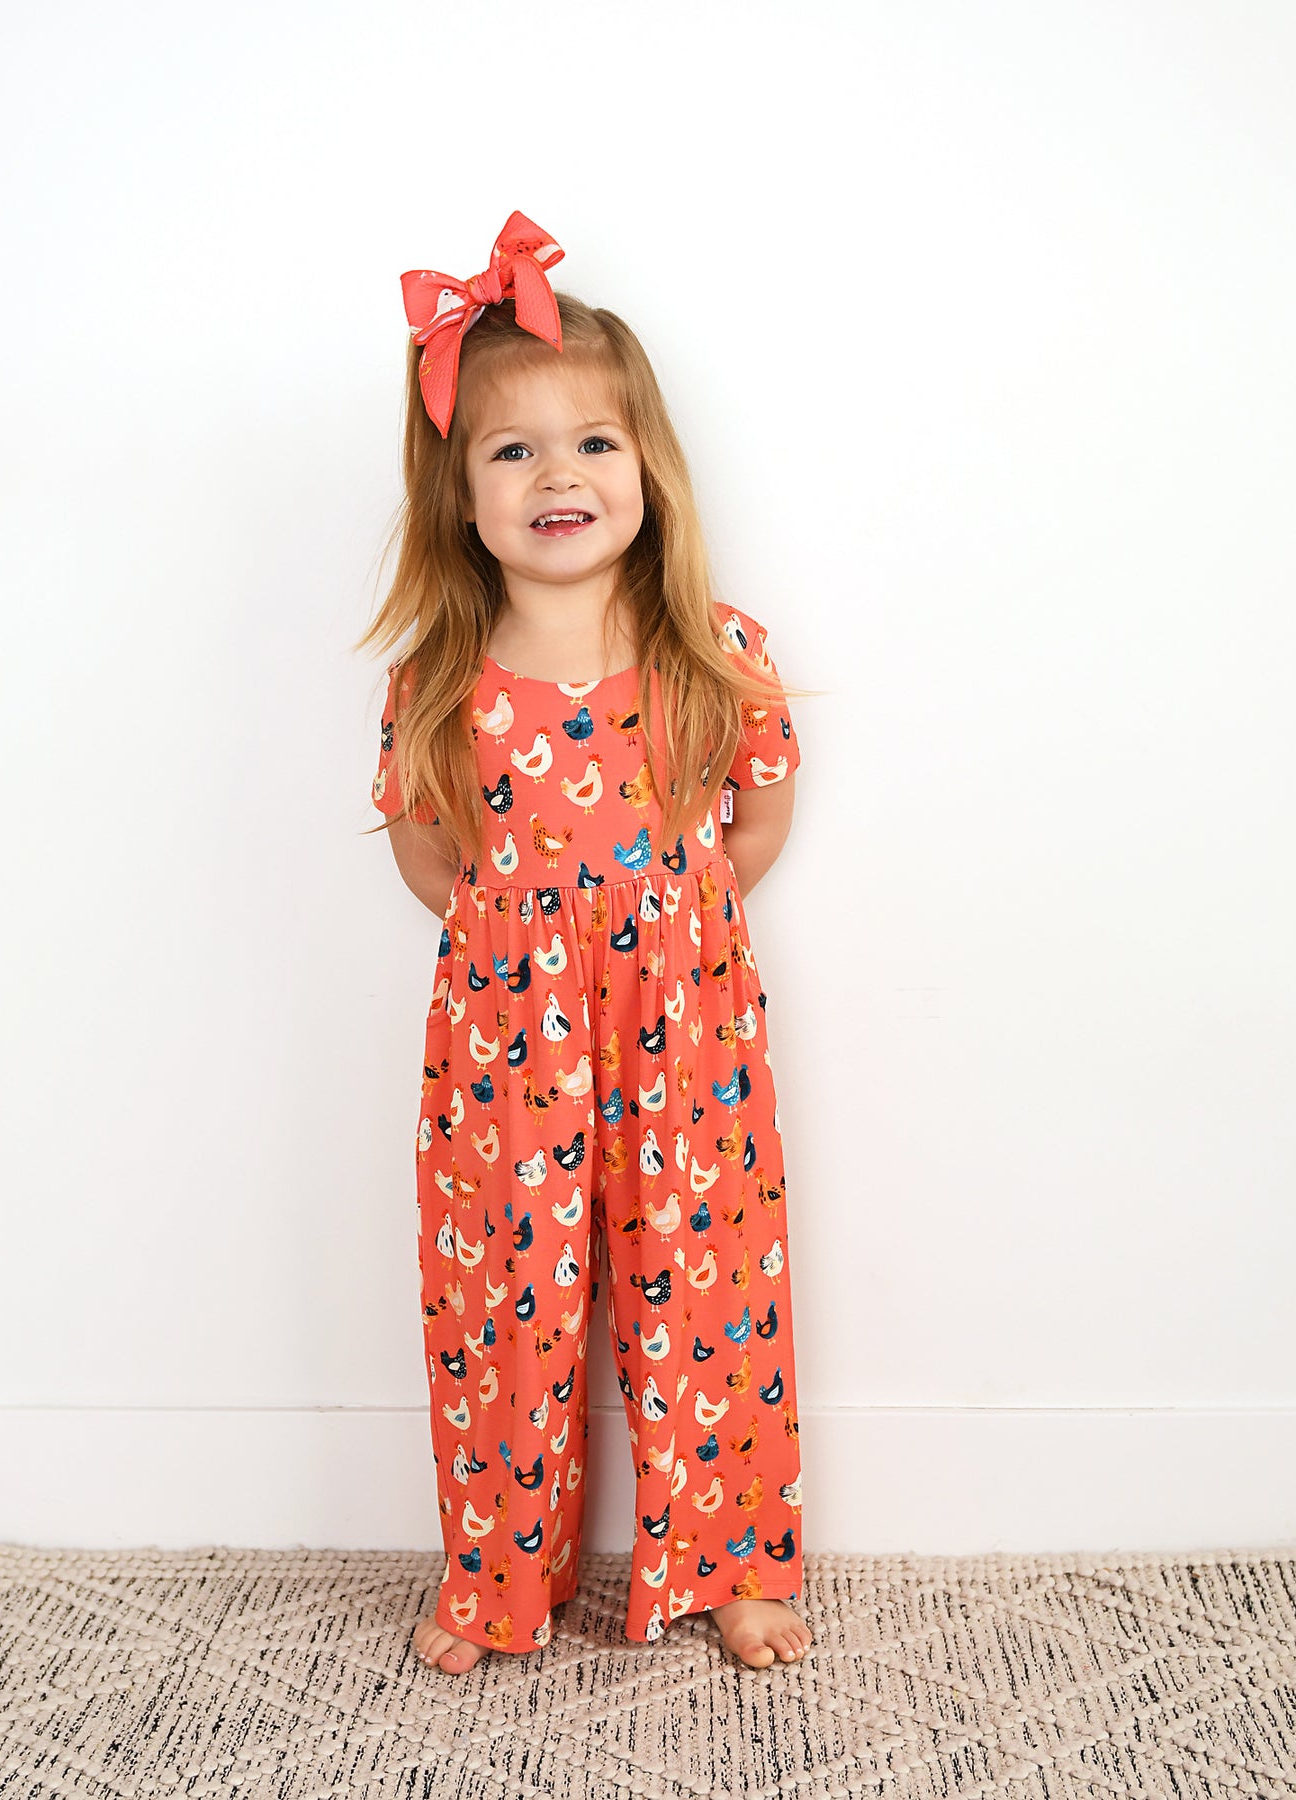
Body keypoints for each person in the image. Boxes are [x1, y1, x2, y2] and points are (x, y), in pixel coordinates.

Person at [359, 212, 812, 1675]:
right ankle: (501, 1573)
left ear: (647, 470)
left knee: (710, 1281)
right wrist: (527, 944)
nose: (559, 476)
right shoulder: (443, 680)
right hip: (507, 1043)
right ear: (460, 497)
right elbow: (429, 854)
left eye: (593, 445)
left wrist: (669, 927)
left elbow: (755, 820)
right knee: (505, 1299)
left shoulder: (710, 652)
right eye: (514, 451)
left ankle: (730, 1561)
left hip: (687, 1023)